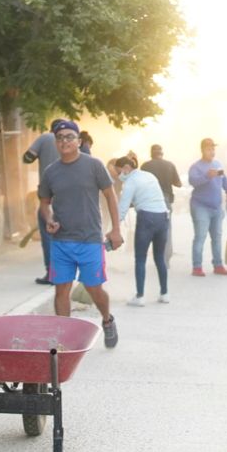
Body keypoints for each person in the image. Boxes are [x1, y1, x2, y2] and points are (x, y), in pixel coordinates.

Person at [39, 119, 122, 348]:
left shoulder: (94, 165)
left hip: (90, 240)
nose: (64, 141)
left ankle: (107, 319)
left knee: (94, 289)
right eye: (59, 138)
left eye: (69, 137)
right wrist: (49, 219)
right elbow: (44, 203)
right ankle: (64, 338)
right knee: (61, 290)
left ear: (79, 141)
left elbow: (110, 195)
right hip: (61, 241)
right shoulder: (51, 172)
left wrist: (115, 229)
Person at [114, 154, 170, 306]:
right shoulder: (149, 176)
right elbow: (150, 196)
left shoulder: (130, 182)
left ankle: (140, 296)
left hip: (146, 218)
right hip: (163, 217)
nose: (119, 176)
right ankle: (164, 293)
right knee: (160, 257)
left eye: (119, 172)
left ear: (126, 168)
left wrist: (115, 228)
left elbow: (123, 208)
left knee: (140, 258)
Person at [21, 126, 62, 285]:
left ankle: (52, 273)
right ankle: (66, 271)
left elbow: (28, 158)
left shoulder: (45, 138)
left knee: (48, 233)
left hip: (48, 195)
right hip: (67, 195)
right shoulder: (72, 141)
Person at [188, 138, 227, 276]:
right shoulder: (196, 167)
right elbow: (193, 181)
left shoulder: (218, 164)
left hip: (216, 207)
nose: (211, 152)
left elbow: (224, 179)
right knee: (200, 236)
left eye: (213, 149)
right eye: (208, 149)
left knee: (217, 237)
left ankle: (218, 265)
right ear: (202, 150)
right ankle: (197, 267)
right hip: (200, 206)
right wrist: (207, 176)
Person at [141, 143, 183, 261]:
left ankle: (153, 255)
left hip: (149, 201)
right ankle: (165, 258)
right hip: (165, 199)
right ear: (162, 153)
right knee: (166, 229)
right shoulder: (170, 165)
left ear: (151, 154)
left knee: (150, 229)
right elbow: (178, 184)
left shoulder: (145, 166)